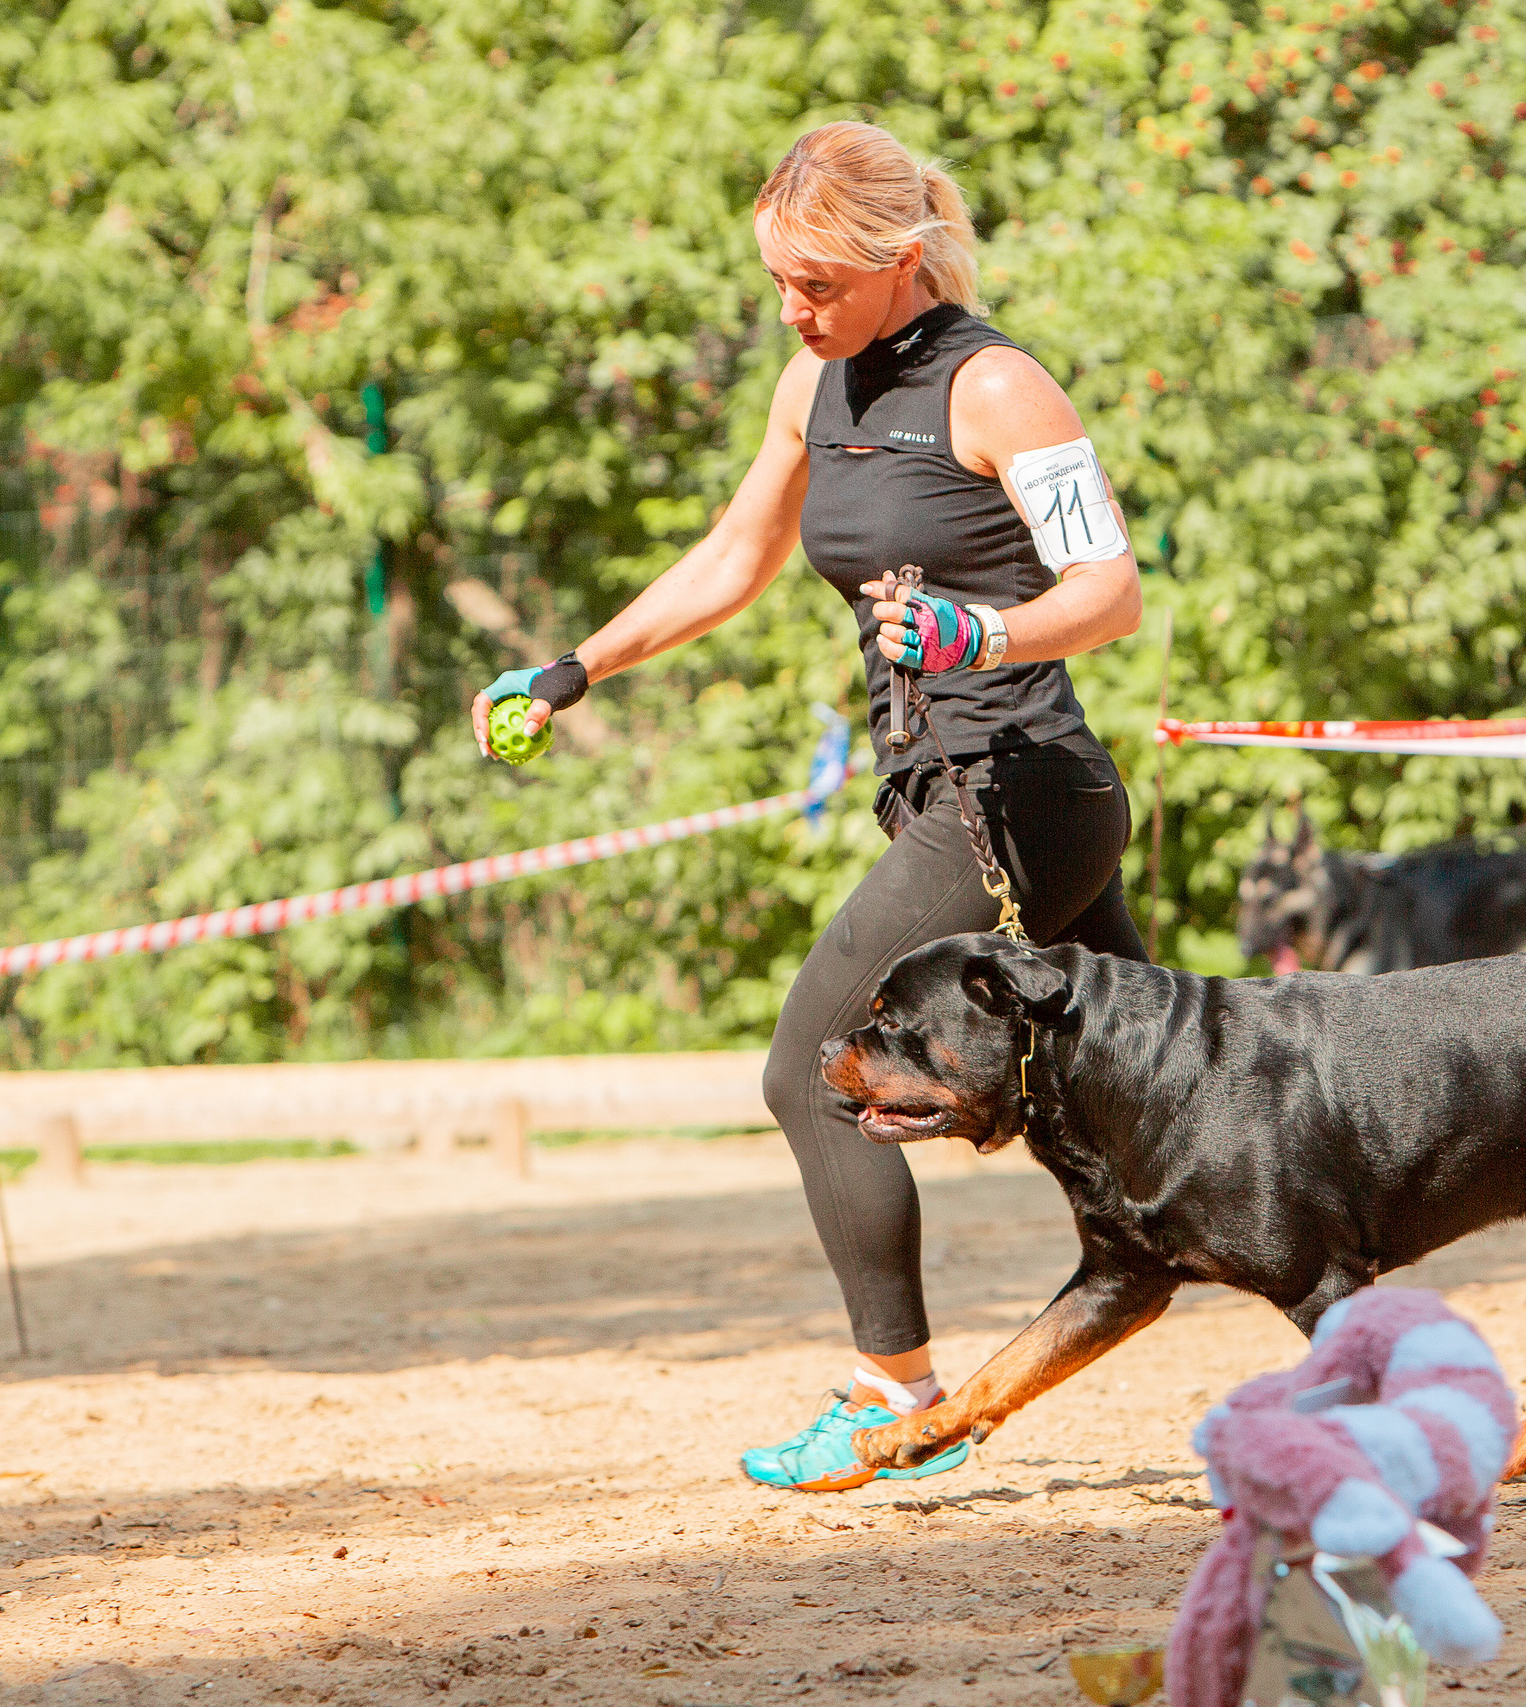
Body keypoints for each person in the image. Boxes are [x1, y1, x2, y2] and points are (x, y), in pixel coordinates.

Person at [470, 122, 1151, 1491]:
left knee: (814, 1067)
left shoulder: (999, 385)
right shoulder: (814, 383)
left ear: (904, 259)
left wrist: (983, 637)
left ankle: (891, 1392)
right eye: (780, 282)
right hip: (941, 790)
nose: (795, 307)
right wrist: (576, 666)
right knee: (1156, 1103)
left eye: (820, 283)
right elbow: (734, 553)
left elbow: (1111, 595)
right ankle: (1360, 1327)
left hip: (1019, 791)